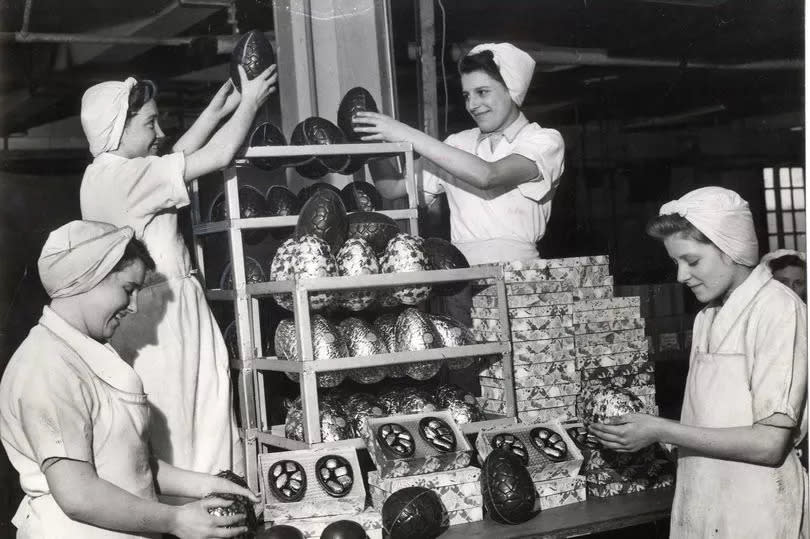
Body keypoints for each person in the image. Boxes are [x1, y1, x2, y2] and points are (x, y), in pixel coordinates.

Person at [0, 220, 259, 539]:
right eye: (128, 289)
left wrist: (206, 484)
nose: (134, 306)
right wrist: (175, 521)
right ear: (88, 278)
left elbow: (128, 466)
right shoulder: (47, 366)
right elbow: (78, 496)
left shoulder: (84, 355)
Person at [78, 65, 276, 477]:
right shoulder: (127, 177)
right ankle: (207, 505)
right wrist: (253, 102)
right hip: (165, 314)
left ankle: (197, 508)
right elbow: (217, 157)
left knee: (183, 415)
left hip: (151, 309)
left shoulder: (104, 175)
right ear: (118, 128)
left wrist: (214, 112)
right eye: (149, 122)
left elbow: (170, 163)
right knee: (194, 416)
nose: (159, 132)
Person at [589, 187, 808, 538]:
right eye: (675, 262)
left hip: (757, 506)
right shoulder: (708, 316)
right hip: (706, 497)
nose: (680, 276)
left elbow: (769, 444)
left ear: (731, 250)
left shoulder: (778, 310)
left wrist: (659, 429)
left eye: (692, 261)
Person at [355, 42, 565, 265]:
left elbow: (488, 176)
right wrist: (370, 139)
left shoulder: (543, 140)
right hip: (462, 273)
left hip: (521, 274)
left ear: (511, 91)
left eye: (482, 92)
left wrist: (406, 134)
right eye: (466, 95)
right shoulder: (457, 144)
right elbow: (392, 188)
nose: (472, 105)